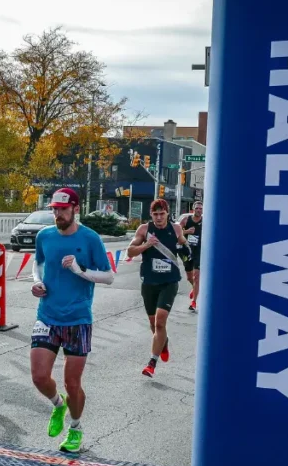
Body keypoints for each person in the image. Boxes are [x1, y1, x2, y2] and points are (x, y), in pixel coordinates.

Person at [30, 188, 114, 452]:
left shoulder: (90, 238)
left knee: (72, 383)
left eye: (63, 210)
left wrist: (80, 270)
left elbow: (109, 276)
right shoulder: (45, 235)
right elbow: (38, 263)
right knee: (39, 377)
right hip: (47, 315)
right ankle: (58, 405)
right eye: (54, 209)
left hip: (78, 319)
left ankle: (75, 428)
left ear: (75, 209)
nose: (58, 214)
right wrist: (37, 282)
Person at [126, 198, 187, 378]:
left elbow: (183, 242)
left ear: (168, 213)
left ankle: (151, 363)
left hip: (169, 282)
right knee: (154, 324)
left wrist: (186, 249)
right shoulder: (144, 230)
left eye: (162, 214)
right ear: (151, 215)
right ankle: (163, 342)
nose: (159, 217)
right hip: (149, 282)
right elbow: (130, 251)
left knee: (160, 321)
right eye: (155, 214)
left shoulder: (175, 228)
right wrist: (146, 244)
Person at [181, 201, 204, 312]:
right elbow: (177, 233)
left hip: (199, 252)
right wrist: (186, 231)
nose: (199, 210)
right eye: (197, 208)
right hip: (187, 251)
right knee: (190, 278)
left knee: (196, 277)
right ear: (193, 209)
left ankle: (194, 302)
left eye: (201, 209)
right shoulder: (186, 220)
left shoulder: (205, 222)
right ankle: (194, 289)